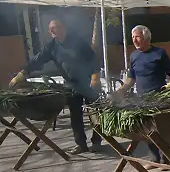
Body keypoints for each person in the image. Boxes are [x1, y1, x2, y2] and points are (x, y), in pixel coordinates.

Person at [9, 19, 102, 154]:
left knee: (94, 114)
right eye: (50, 29)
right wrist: (22, 73)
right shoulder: (52, 46)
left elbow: (93, 59)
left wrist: (95, 78)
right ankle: (81, 144)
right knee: (75, 115)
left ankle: (97, 142)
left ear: (63, 28)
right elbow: (38, 59)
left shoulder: (78, 42)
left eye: (55, 27)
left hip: (88, 82)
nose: (52, 31)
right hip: (71, 84)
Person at [113, 25, 170, 168]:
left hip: (159, 98)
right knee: (147, 130)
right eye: (133, 37)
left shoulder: (159, 53)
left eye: (137, 37)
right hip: (142, 99)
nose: (134, 40)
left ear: (146, 38)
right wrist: (121, 90)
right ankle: (154, 159)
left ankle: (167, 159)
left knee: (161, 129)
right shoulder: (133, 56)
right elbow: (131, 79)